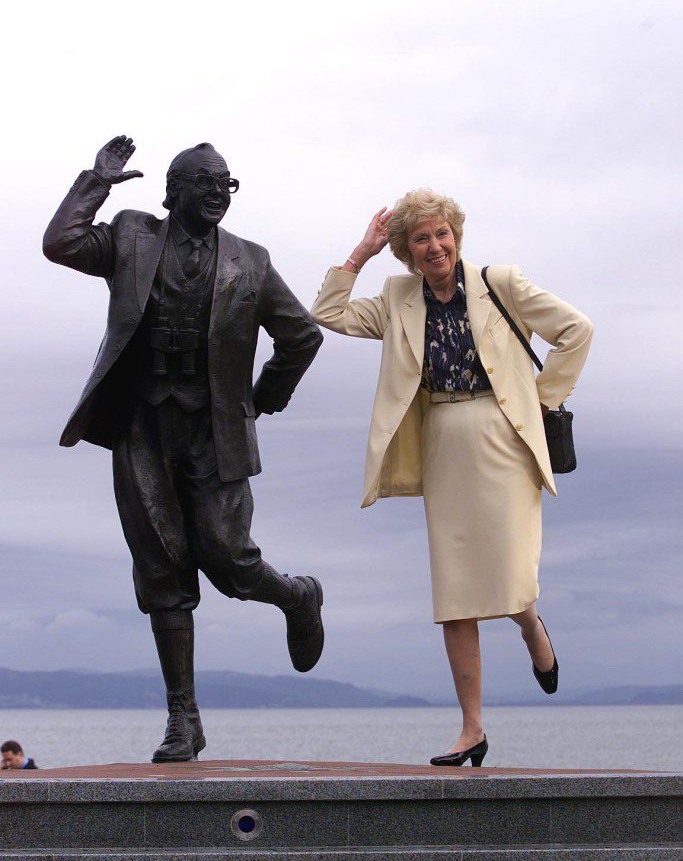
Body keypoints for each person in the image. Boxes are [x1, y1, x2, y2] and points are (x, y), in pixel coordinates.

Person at [43, 136, 324, 763]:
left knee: (230, 561)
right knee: (162, 569)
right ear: (174, 190)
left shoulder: (249, 260)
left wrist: (263, 398)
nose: (221, 193)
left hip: (213, 430)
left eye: (228, 183)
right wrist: (95, 182)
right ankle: (184, 718)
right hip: (141, 423)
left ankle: (297, 596)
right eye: (208, 182)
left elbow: (301, 335)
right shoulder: (132, 237)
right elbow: (60, 243)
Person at [311, 189, 593, 766]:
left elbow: (577, 331)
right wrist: (360, 253)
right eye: (421, 238)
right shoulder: (397, 298)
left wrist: (540, 402)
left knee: (511, 571)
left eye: (442, 234)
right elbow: (327, 314)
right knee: (456, 590)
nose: (435, 246)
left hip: (504, 439)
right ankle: (471, 729)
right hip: (442, 442)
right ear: (407, 252)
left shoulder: (502, 284)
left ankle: (530, 624)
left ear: (455, 236)